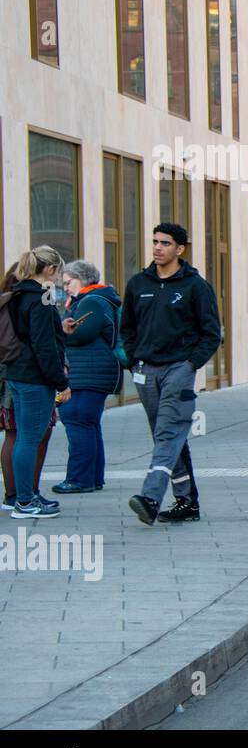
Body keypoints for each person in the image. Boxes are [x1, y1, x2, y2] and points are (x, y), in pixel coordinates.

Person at [121, 224, 222, 525]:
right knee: (167, 436)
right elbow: (126, 328)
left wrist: (191, 364)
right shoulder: (139, 283)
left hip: (179, 368)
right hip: (145, 370)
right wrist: (131, 360)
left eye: (165, 243)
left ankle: (150, 498)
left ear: (179, 249)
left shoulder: (194, 286)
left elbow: (211, 333)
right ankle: (187, 502)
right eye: (154, 242)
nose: (157, 247)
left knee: (168, 431)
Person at [3, 247, 70, 519]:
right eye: (58, 271)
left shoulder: (18, 293)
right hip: (35, 378)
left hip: (16, 374)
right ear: (50, 269)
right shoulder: (42, 296)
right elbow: (45, 345)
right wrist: (60, 381)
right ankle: (25, 502)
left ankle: (21, 497)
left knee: (22, 438)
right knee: (30, 438)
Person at [51, 260, 122, 494]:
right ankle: (92, 478)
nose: (66, 288)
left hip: (90, 373)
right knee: (88, 423)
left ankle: (78, 479)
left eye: (68, 282)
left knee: (76, 418)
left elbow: (80, 334)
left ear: (82, 279)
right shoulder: (93, 300)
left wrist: (59, 330)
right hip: (92, 372)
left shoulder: (92, 301)